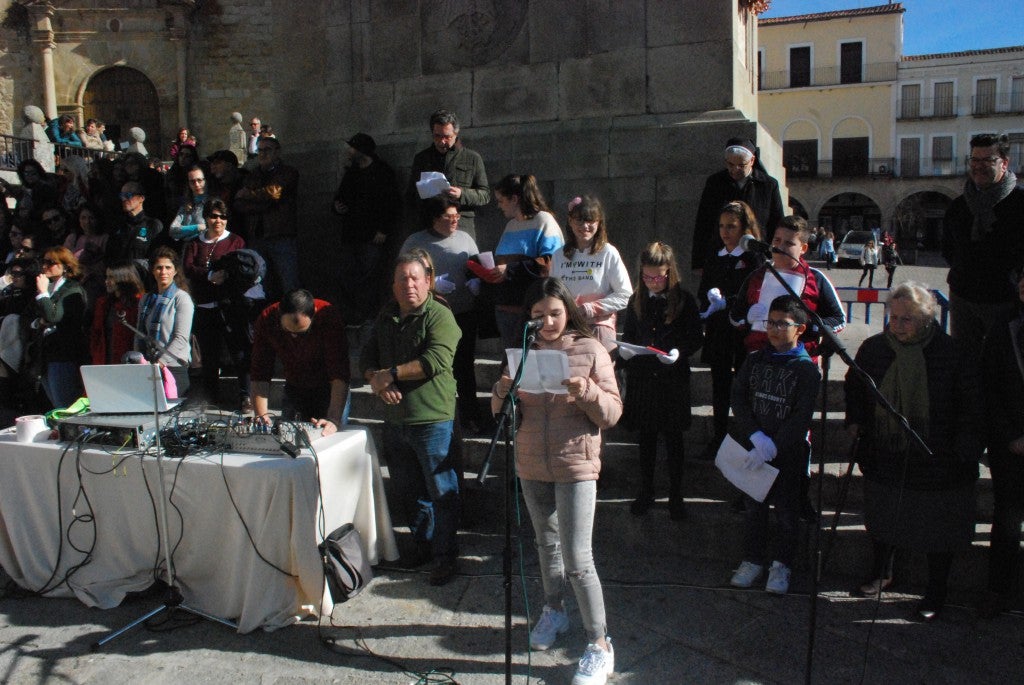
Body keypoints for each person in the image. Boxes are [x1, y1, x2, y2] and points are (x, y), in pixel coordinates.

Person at [491, 277, 621, 685]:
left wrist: (587, 391)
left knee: (578, 558)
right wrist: (502, 390)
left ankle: (599, 643)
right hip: (531, 463)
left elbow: (612, 412)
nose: (547, 322)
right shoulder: (524, 352)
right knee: (546, 546)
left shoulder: (590, 349)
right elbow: (499, 411)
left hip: (575, 465)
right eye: (538, 315)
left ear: (569, 311)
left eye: (555, 313)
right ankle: (554, 610)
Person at [845, 283, 982, 621]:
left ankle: (936, 590)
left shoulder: (952, 353)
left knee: (938, 528)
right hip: (887, 452)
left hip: (939, 455)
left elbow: (971, 404)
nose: (897, 325)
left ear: (925, 319)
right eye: (893, 318)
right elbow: (855, 388)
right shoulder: (875, 349)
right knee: (884, 516)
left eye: (906, 319)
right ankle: (882, 572)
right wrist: (856, 421)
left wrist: (964, 447)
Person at [360, 252, 462, 586]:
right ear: (393, 285)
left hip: (432, 420)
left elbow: (436, 360)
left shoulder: (440, 315)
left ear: (428, 281)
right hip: (395, 420)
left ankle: (445, 556)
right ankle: (423, 546)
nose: (410, 284)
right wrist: (377, 380)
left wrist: (390, 374)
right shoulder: (386, 315)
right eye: (402, 278)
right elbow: (366, 357)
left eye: (416, 277)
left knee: (442, 492)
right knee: (409, 491)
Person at [729, 295, 821, 595]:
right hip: (754, 450)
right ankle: (752, 559)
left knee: (786, 512)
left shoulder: (806, 370)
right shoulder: (755, 359)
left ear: (800, 329)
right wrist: (755, 436)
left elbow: (801, 415)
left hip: (789, 454)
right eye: (770, 322)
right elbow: (739, 397)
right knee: (754, 508)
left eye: (783, 324)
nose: (774, 329)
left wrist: (776, 445)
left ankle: (781, 564)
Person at [620, 242, 703, 518]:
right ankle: (646, 490)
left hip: (672, 381)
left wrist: (679, 352)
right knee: (646, 439)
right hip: (644, 379)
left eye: (659, 277)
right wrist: (625, 353)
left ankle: (676, 494)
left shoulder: (684, 300)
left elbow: (695, 337)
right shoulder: (637, 300)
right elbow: (630, 335)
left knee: (673, 440)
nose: (653, 282)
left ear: (670, 273)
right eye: (647, 277)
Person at [400, 197, 484, 432]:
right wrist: (432, 283)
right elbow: (403, 273)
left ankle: (470, 416)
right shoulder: (416, 241)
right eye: (449, 217)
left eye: (457, 216)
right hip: (431, 315)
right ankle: (435, 416)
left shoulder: (465, 238)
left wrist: (477, 280)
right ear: (434, 218)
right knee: (433, 364)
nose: (455, 221)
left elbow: (476, 265)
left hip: (463, 312)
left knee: (464, 365)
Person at [942, 133, 1024, 351]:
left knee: (1005, 360)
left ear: (1004, 163)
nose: (979, 166)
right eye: (975, 160)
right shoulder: (959, 206)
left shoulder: (1020, 203)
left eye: (987, 160)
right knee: (964, 360)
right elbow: (948, 248)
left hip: (1006, 302)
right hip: (963, 299)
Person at [697, 201, 761, 459]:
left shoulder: (752, 257)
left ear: (744, 228)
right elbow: (704, 288)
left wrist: (730, 302)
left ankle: (748, 438)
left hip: (743, 331)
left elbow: (754, 292)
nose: (725, 232)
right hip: (719, 331)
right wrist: (709, 301)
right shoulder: (716, 255)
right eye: (722, 226)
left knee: (745, 387)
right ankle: (719, 437)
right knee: (720, 386)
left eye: (732, 226)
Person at [730, 215, 845, 358]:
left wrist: (810, 325)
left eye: (789, 243)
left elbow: (839, 319)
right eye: (777, 241)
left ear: (803, 248)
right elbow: (735, 316)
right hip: (758, 358)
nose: (780, 247)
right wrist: (747, 319)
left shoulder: (816, 278)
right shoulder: (755, 276)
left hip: (799, 359)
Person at [978, 268, 1024, 618]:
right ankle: (997, 591)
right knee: (1007, 518)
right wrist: (1010, 435)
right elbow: (988, 384)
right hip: (1010, 442)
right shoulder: (1004, 323)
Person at [250, 289, 349, 433]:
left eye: (302, 332)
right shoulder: (267, 319)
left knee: (330, 436)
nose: (294, 336)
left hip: (329, 387)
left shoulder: (328, 316)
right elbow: (260, 372)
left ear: (314, 314)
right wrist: (261, 416)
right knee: (288, 438)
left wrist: (333, 419)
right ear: (279, 313)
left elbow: (339, 372)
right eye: (287, 330)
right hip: (295, 385)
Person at [182, 199, 249, 408]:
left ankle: (245, 395)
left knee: (238, 352)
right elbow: (188, 268)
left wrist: (224, 275)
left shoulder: (235, 241)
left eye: (222, 216)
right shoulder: (195, 243)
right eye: (213, 216)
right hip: (204, 307)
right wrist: (209, 275)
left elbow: (242, 266)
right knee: (209, 356)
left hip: (229, 306)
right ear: (206, 218)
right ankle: (211, 398)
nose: (218, 220)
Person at [486, 173, 564, 349]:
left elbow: (549, 263)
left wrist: (510, 269)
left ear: (514, 199)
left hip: (531, 311)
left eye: (501, 200)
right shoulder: (510, 225)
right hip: (506, 309)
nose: (498, 206)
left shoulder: (544, 220)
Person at [331, 132, 402, 324]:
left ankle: (368, 317)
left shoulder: (382, 172)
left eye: (352, 148)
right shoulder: (352, 172)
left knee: (369, 278)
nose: (349, 151)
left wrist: (384, 230)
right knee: (346, 276)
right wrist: (337, 207)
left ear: (362, 150)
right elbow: (340, 197)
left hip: (371, 236)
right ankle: (352, 316)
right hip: (351, 234)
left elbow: (392, 204)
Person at [550, 195, 632, 351]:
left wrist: (590, 308)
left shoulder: (608, 252)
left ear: (599, 222)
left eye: (590, 221)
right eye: (579, 220)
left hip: (599, 328)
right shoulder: (559, 255)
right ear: (570, 221)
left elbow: (625, 295)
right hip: (567, 329)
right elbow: (552, 295)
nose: (585, 226)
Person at [691, 137, 784, 271]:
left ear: (752, 160)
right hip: (721, 256)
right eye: (730, 164)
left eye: (741, 165)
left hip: (756, 257)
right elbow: (703, 222)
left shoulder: (768, 185)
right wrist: (699, 262)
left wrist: (775, 256)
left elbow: (777, 222)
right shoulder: (715, 183)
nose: (735, 169)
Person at [233, 136, 300, 301]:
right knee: (262, 283)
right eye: (260, 150)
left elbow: (274, 193)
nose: (263, 154)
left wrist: (250, 196)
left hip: (280, 236)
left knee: (289, 282)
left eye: (267, 150)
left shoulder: (288, 172)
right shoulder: (253, 175)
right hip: (257, 237)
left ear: (277, 152)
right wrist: (262, 203)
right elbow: (239, 203)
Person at [406, 108, 490, 239]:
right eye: (437, 136)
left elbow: (485, 195)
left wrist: (461, 194)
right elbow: (411, 195)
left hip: (461, 226)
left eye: (447, 137)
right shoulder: (422, 158)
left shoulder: (472, 158)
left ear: (456, 134)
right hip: (429, 225)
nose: (442, 141)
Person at [30, 247, 88, 409]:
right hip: (46, 355)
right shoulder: (49, 286)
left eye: (51, 262)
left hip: (64, 355)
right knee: (56, 406)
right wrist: (38, 322)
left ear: (65, 266)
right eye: (43, 261)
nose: (45, 266)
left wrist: (43, 293)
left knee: (65, 406)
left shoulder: (71, 289)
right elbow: (32, 315)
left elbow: (53, 317)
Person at [136, 246, 194, 394]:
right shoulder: (146, 299)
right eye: (159, 268)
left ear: (175, 271)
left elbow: (181, 338)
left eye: (168, 267)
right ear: (152, 270)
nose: (163, 272)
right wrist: (139, 361)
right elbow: (139, 333)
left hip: (173, 367)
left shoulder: (181, 298)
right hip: (148, 365)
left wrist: (160, 363)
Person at [90, 262, 144, 365]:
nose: (106, 281)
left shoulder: (139, 303)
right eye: (106, 277)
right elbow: (96, 333)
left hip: (129, 361)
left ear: (123, 278)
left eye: (111, 277)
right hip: (104, 361)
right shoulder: (103, 303)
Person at [169, 164, 210, 242]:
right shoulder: (186, 204)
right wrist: (199, 227)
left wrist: (185, 231)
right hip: (188, 245)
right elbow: (173, 230)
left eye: (199, 180)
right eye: (192, 181)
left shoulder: (213, 203)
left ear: (206, 180)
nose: (196, 184)